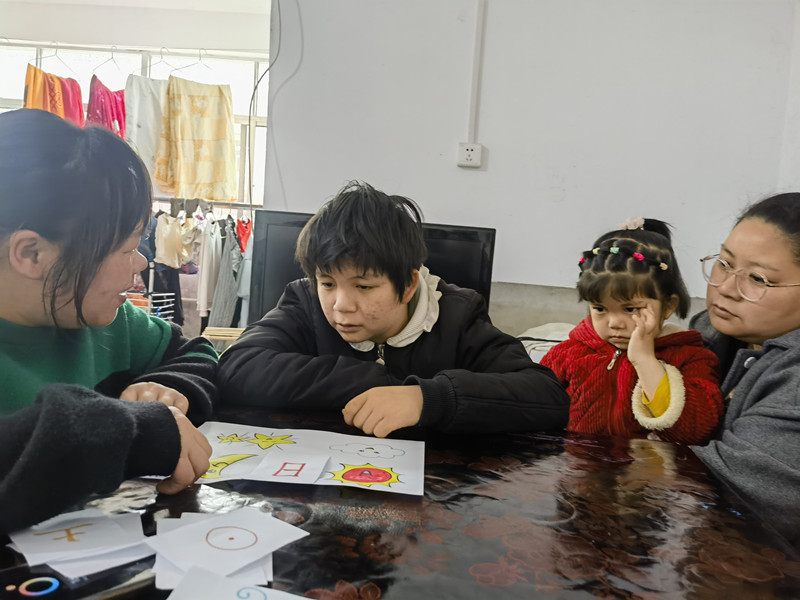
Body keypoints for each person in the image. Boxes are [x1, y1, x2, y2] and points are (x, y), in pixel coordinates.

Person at [0, 109, 217, 534]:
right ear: (32, 254)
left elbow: (194, 352)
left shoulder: (104, 321)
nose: (141, 263)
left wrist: (167, 389)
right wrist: (131, 430)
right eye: (126, 249)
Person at [217, 181, 568, 438]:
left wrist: (427, 398)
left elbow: (545, 396)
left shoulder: (457, 314)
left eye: (364, 286)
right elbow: (237, 366)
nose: (341, 305)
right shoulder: (304, 301)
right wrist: (376, 381)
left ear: (408, 285)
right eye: (327, 283)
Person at [540, 218, 723, 444]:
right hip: (578, 462)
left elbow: (697, 430)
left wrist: (645, 360)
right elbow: (533, 405)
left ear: (668, 306)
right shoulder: (568, 354)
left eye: (630, 309)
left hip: (647, 466)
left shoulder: (691, 358)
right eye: (600, 308)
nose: (614, 323)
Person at [690, 193, 800, 549]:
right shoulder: (710, 333)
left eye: (758, 278)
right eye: (724, 263)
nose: (725, 288)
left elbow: (729, 493)